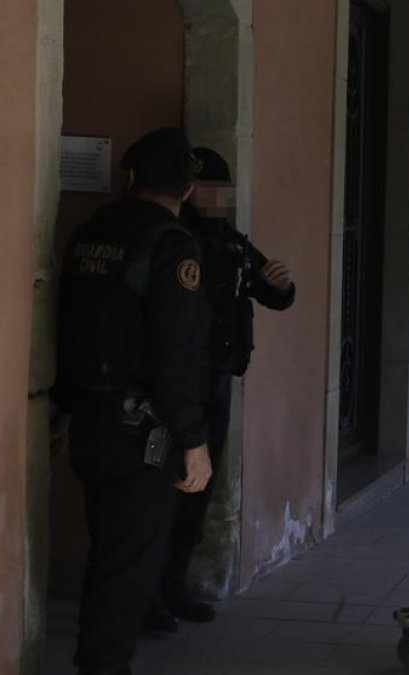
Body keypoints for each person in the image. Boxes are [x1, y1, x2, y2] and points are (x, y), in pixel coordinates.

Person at [52, 127, 212, 675]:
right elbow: (175, 353)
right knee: (130, 563)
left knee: (108, 549)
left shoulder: (88, 233)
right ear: (188, 190)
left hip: (88, 418)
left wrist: (64, 407)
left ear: (129, 179)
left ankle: (96, 657)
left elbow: (68, 326)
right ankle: (102, 666)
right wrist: (194, 439)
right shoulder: (172, 245)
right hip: (141, 432)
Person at [145, 147, 297, 631]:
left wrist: (279, 285)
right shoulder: (173, 239)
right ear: (189, 190)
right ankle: (147, 594)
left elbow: (267, 289)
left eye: (224, 189)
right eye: (211, 188)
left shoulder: (227, 240)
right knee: (161, 492)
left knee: (197, 493)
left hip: (215, 380)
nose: (219, 197)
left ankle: (174, 584)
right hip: (174, 384)